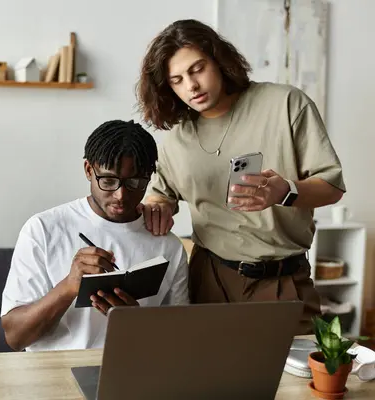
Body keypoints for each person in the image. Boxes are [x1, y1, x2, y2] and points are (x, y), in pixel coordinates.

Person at [135, 19, 345, 334]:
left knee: (296, 382)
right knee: (210, 380)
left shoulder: (285, 104)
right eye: (177, 80)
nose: (191, 86)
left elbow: (331, 187)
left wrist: (285, 191)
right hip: (209, 280)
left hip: (281, 282)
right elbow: (161, 194)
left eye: (197, 69)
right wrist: (158, 206)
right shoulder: (177, 139)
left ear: (219, 60)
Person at [0, 120, 189, 352]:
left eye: (134, 182)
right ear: (89, 170)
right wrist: (69, 286)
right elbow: (15, 338)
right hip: (55, 374)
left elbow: (181, 341)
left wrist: (135, 324)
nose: (121, 195)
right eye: (108, 180)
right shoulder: (43, 229)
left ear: (150, 176)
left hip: (130, 371)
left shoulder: (168, 245)